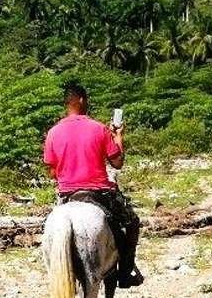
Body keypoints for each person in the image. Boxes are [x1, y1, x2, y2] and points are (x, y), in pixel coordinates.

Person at [42, 83, 144, 287]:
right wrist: (118, 137)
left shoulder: (53, 132)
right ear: (81, 100)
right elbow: (117, 163)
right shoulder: (99, 128)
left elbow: (52, 172)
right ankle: (125, 273)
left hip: (67, 195)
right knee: (132, 223)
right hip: (98, 191)